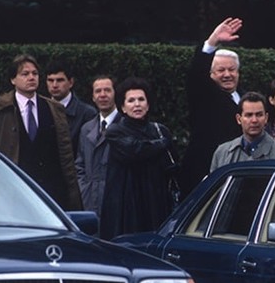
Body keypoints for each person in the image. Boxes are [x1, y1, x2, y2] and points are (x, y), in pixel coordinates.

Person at [0, 54, 82, 210]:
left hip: (51, 192)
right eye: (25, 74)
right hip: (13, 192)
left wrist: (72, 194)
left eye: (35, 73)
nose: (31, 77)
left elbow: (65, 156)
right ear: (13, 80)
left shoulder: (54, 108)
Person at [99, 77, 179, 240]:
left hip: (156, 199)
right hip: (127, 203)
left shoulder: (160, 130)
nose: (137, 104)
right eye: (131, 100)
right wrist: (161, 144)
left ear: (148, 105)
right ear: (123, 107)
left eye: (141, 100)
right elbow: (135, 150)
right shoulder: (115, 131)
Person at [179, 17, 244, 195]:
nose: (227, 74)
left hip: (240, 176)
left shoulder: (247, 98)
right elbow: (196, 75)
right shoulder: (204, 96)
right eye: (221, 70)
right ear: (211, 74)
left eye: (232, 69)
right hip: (206, 175)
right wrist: (212, 42)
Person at [210, 91, 275, 172]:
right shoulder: (222, 153)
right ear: (239, 119)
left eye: (259, 115)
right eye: (249, 115)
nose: (254, 120)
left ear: (266, 118)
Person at [75, 75, 121, 217]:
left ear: (115, 94)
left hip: (118, 201)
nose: (102, 95)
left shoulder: (124, 126)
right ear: (93, 97)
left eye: (107, 90)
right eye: (98, 91)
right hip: (91, 201)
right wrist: (84, 189)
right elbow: (80, 165)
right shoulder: (86, 129)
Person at [46, 59, 97, 155]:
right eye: (50, 80)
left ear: (71, 82)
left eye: (60, 80)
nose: (54, 85)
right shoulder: (40, 109)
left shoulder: (87, 113)